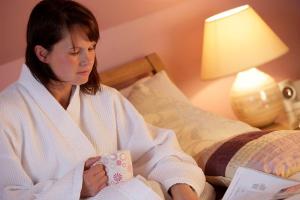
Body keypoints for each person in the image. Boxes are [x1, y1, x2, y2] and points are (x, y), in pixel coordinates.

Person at [0, 0, 205, 199]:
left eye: (91, 48)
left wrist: (181, 188)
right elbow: (8, 193)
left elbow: (155, 152)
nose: (87, 60)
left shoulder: (106, 98)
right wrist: (75, 188)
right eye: (74, 51)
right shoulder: (6, 114)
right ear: (42, 54)